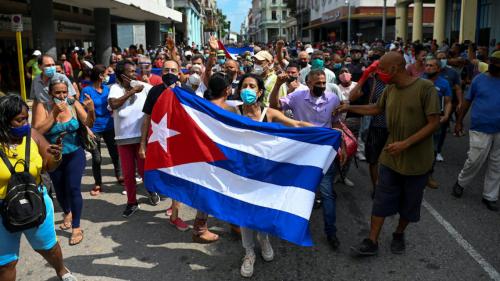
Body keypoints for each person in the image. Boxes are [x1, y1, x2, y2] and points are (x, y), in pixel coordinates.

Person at [338, 52, 440, 256]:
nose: (380, 73)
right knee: (382, 200)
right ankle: (372, 240)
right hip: (391, 157)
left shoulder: (425, 88)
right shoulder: (390, 89)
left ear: (395, 69)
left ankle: (399, 233)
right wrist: (350, 107)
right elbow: (376, 108)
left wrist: (406, 144)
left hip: (417, 161)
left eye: (383, 69)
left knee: (410, 204)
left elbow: (434, 123)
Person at [237, 73, 313, 278]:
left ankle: (264, 239)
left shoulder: (268, 113)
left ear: (260, 91)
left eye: (252, 86)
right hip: (241, 172)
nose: (247, 89)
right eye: (244, 85)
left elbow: (296, 125)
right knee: (245, 213)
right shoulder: (232, 111)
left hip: (266, 173)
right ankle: (249, 252)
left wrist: (326, 131)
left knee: (264, 210)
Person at [0, 95, 78, 281]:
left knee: (48, 247)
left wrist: (56, 156)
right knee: (6, 263)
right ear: (4, 121)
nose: (25, 124)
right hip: (3, 210)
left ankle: (62, 271)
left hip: (36, 202)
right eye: (19, 120)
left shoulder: (32, 135)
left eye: (26, 118)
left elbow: (48, 165)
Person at [269, 69, 344, 252]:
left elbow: (335, 124)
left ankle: (331, 232)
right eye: (317, 83)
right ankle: (288, 226)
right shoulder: (297, 96)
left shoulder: (333, 99)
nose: (321, 86)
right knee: (295, 190)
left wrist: (338, 143)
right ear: (308, 83)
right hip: (301, 151)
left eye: (323, 83)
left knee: (326, 193)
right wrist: (278, 85)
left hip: (324, 152)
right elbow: (275, 107)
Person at [32, 77, 96, 246]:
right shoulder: (43, 106)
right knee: (60, 190)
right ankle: (67, 211)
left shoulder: (73, 103)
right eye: (57, 93)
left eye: (64, 92)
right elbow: (37, 131)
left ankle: (76, 227)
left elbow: (88, 122)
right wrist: (53, 113)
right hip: (53, 156)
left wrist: (91, 110)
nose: (61, 96)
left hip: (75, 153)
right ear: (50, 93)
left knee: (74, 188)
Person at [140, 59, 189, 231]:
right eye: (166, 70)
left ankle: (175, 215)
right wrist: (142, 145)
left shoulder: (187, 92)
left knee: (179, 177)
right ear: (161, 72)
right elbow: (146, 118)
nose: (170, 73)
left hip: (181, 143)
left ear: (179, 71)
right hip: (159, 142)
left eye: (173, 70)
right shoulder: (154, 91)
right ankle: (171, 204)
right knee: (164, 175)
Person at [108, 60, 160, 218]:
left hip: (141, 138)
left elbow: (159, 92)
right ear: (122, 75)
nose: (134, 74)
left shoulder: (141, 85)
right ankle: (131, 202)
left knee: (145, 171)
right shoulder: (115, 89)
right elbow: (114, 104)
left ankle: (150, 190)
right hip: (123, 139)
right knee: (129, 174)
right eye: (131, 72)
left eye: (134, 71)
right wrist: (132, 92)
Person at [452, 51, 500, 211]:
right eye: (495, 62)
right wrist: (459, 122)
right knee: (475, 159)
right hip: (480, 127)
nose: (497, 66)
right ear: (490, 62)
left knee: (497, 164)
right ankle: (461, 182)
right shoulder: (479, 80)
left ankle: (490, 196)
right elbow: (466, 102)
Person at [81, 64, 123, 196]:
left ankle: (119, 175)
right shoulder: (86, 91)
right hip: (94, 128)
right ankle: (98, 183)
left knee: (115, 154)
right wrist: (87, 128)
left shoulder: (107, 89)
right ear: (100, 76)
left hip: (109, 126)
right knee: (97, 158)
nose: (108, 76)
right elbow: (82, 111)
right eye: (106, 74)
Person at [422, 57, 452, 189]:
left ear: (438, 69)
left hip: (436, 120)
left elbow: (448, 101)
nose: (428, 67)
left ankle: (428, 175)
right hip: (419, 120)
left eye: (431, 66)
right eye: (427, 65)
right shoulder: (419, 81)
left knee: (433, 149)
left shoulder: (444, 83)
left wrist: (446, 115)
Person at [30, 55, 77, 122]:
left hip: (62, 120)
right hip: (44, 120)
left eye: (53, 65)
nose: (51, 67)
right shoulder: (35, 80)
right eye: (48, 65)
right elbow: (35, 102)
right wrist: (34, 121)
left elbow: (71, 98)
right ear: (39, 67)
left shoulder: (62, 78)